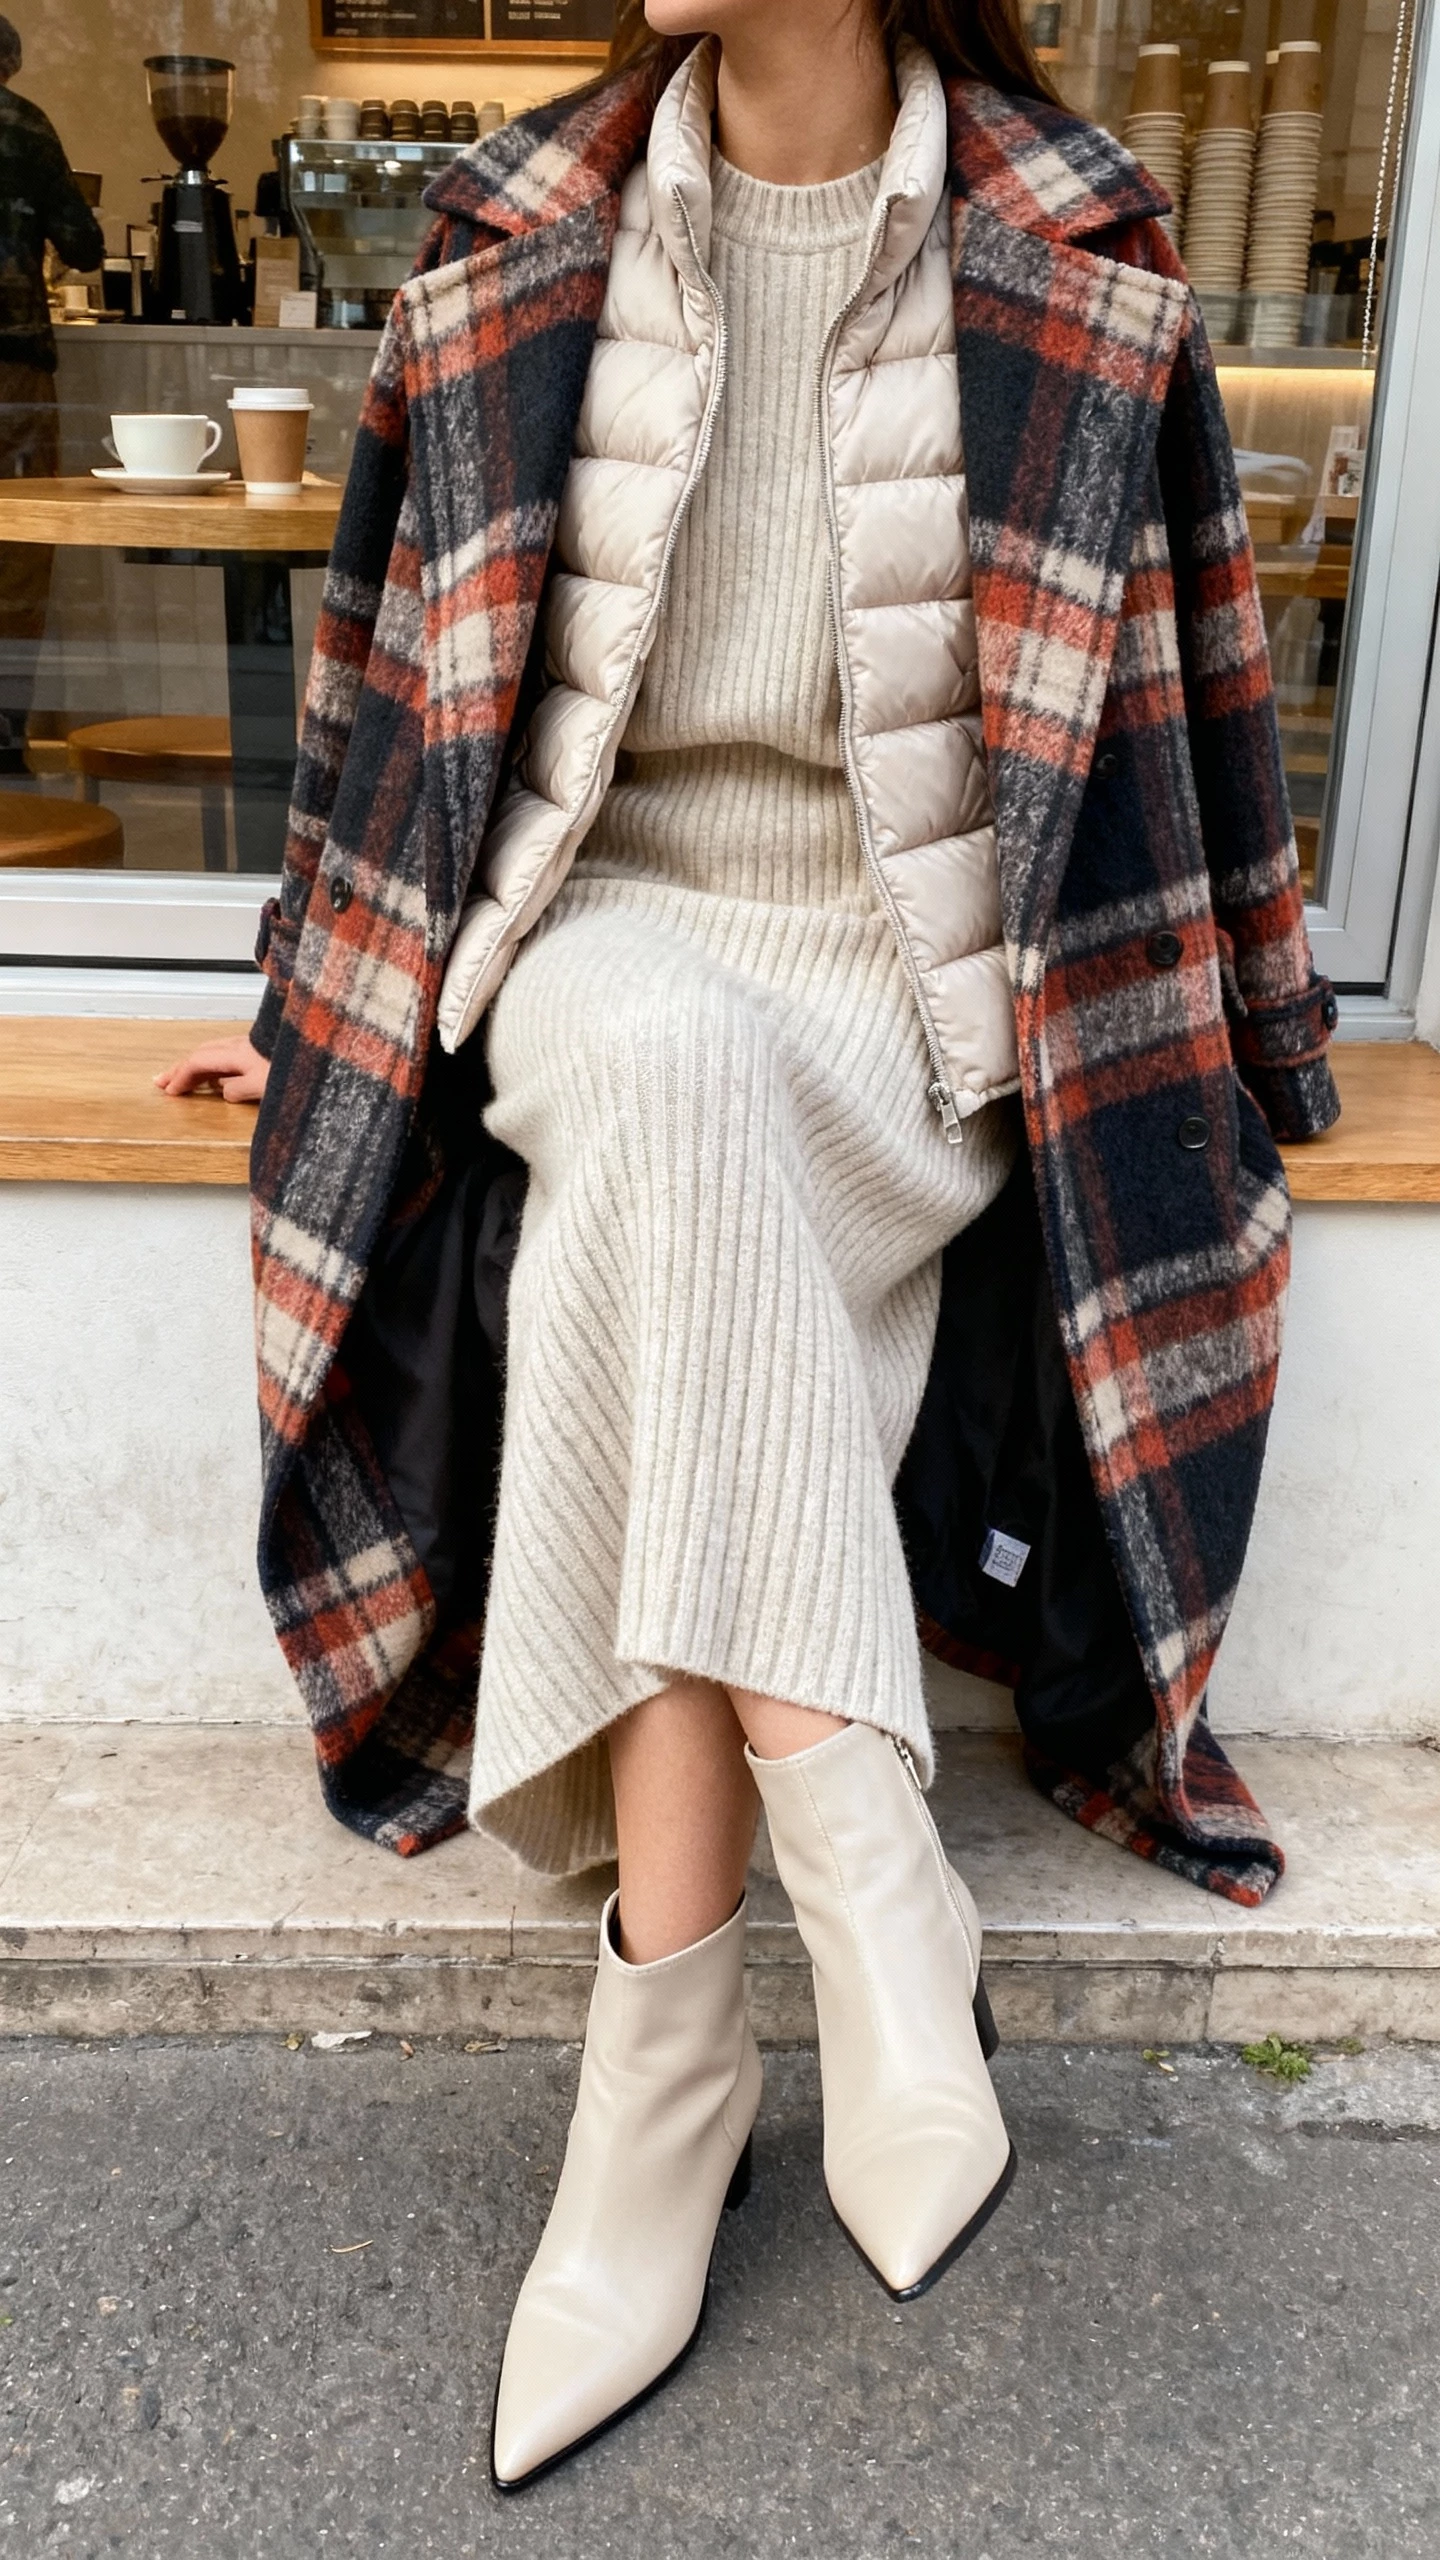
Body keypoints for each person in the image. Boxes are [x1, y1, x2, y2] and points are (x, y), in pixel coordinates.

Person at [160, 0, 1341, 2493]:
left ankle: (666, 2052)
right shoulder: (502, 248)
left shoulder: (1075, 257)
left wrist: (1257, 1061)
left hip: (901, 1017)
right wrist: (310, 1011)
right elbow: (373, 695)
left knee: (640, 1252)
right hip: (600, 949)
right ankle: (862, 1860)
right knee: (656, 1082)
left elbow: (1207, 716)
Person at [0, 15, 103, 769]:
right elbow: (85, 245)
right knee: (19, 548)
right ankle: (4, 732)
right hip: (12, 364)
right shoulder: (24, 125)